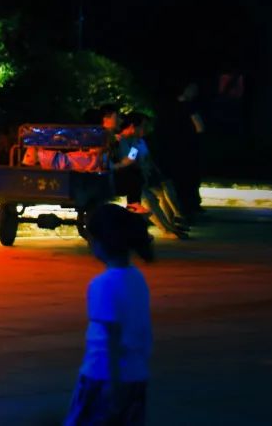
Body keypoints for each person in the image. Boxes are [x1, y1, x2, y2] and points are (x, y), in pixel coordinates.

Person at [65, 203, 153, 426]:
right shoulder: (137, 278)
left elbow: (112, 337)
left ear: (101, 242)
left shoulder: (102, 284)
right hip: (136, 374)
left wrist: (114, 383)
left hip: (102, 375)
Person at [112, 115, 188, 240]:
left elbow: (139, 160)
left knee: (163, 189)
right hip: (128, 180)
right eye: (144, 126)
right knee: (149, 198)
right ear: (132, 127)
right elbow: (129, 161)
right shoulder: (122, 140)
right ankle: (167, 229)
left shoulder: (135, 140)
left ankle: (171, 224)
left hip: (138, 178)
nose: (146, 130)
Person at [157, 82, 206, 217]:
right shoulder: (189, 107)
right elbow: (200, 126)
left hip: (173, 146)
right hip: (187, 146)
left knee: (178, 178)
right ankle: (189, 205)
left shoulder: (167, 106)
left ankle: (181, 207)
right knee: (189, 176)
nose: (195, 92)